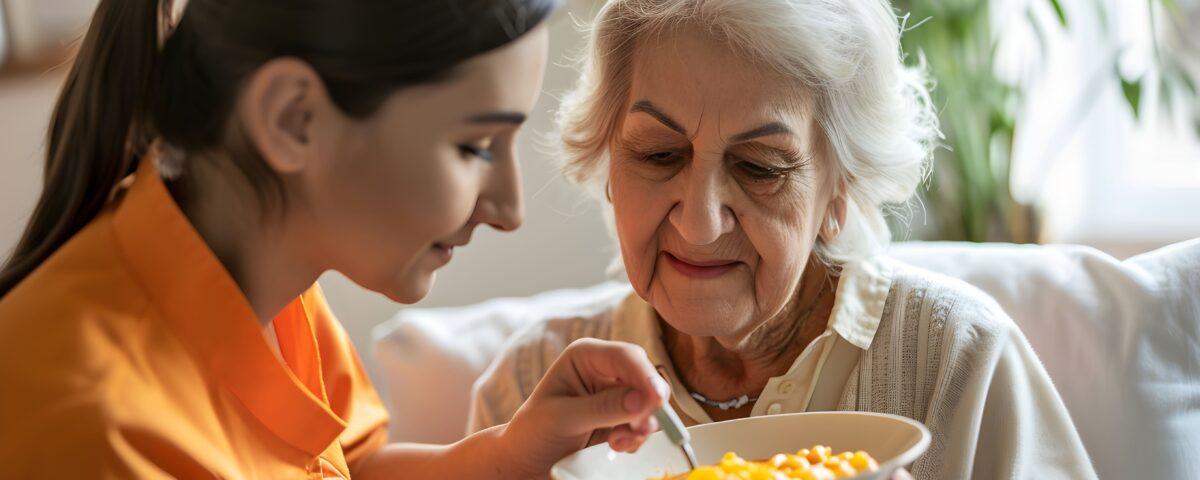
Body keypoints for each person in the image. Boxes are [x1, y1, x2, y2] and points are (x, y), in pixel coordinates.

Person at [0, 0, 669, 478]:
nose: (509, 209)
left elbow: (351, 467)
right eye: (473, 146)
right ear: (294, 118)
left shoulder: (267, 281)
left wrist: (509, 455)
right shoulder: (103, 437)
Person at [469, 0, 1098, 478]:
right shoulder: (526, 390)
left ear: (838, 192)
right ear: (609, 163)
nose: (699, 224)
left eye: (761, 167)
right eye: (659, 154)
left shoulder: (958, 363)